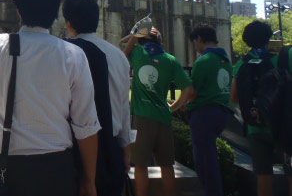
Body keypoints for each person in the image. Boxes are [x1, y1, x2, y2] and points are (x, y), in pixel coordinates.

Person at [0, 0, 101, 196]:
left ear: (19, 10)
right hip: (57, 171)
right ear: (56, 11)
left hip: (5, 170)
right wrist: (89, 181)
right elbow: (86, 125)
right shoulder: (73, 55)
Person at [62, 0, 132, 196]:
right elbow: (123, 105)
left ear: (69, 23)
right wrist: (126, 150)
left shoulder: (66, 53)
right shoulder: (118, 55)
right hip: (111, 146)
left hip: (73, 148)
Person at [121, 26, 191, 196]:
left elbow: (121, 46)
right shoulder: (170, 60)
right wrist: (173, 107)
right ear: (160, 41)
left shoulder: (137, 53)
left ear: (141, 39)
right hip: (163, 117)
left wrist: (133, 34)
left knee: (140, 166)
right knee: (167, 166)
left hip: (142, 117)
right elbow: (189, 89)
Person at [230, 20, 292, 196]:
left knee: (263, 177)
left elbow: (234, 97)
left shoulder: (242, 64)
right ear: (268, 38)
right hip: (282, 126)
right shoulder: (278, 60)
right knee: (290, 174)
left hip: (253, 126)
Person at [173, 23, 233, 196]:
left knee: (204, 162)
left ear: (199, 39)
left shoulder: (203, 61)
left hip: (204, 113)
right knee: (210, 157)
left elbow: (192, 91)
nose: (196, 47)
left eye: (195, 43)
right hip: (222, 112)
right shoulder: (226, 61)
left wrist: (177, 105)